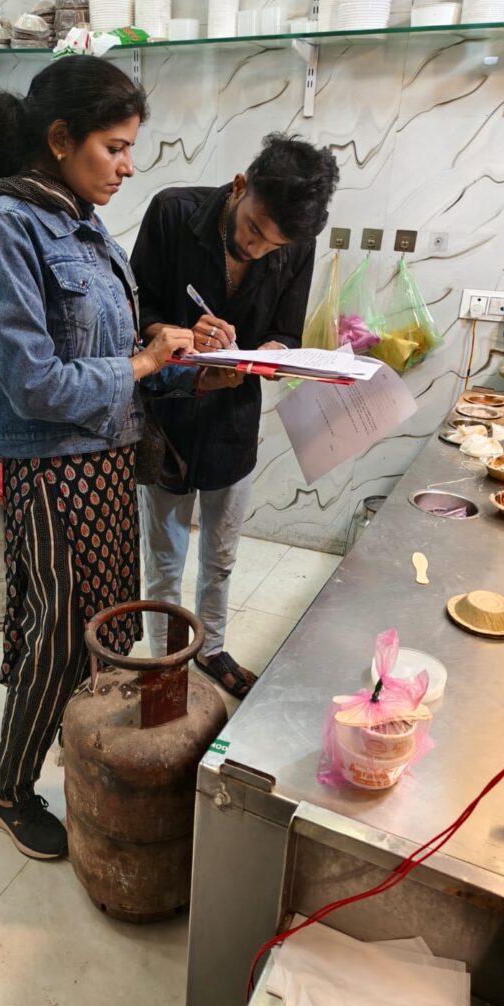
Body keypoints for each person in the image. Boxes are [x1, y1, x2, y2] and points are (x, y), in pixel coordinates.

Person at [0, 57, 193, 860]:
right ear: (60, 138)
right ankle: (8, 790)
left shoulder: (83, 225)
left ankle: (80, 749)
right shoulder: (6, 226)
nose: (128, 166)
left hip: (106, 460)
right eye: (114, 147)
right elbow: (30, 381)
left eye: (131, 149)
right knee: (55, 636)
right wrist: (141, 363)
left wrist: (169, 349)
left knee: (104, 627)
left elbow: (107, 347)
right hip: (53, 468)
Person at [131, 134, 339, 698]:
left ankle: (212, 649)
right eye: (253, 229)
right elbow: (135, 306)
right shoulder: (173, 213)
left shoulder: (295, 246)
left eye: (273, 245)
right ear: (240, 186)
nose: (257, 248)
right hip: (170, 417)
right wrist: (172, 333)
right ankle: (166, 663)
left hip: (233, 420)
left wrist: (272, 353)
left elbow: (286, 332)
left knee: (220, 556)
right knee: (165, 558)